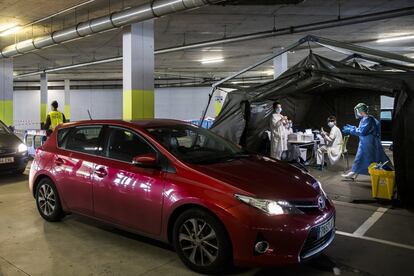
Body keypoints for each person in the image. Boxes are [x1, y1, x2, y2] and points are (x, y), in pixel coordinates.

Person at [341, 103, 389, 180]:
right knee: (361, 158)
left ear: (360, 111)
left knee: (375, 159)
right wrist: (353, 128)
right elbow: (362, 129)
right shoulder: (366, 119)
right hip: (365, 142)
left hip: (369, 143)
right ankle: (353, 173)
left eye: (357, 110)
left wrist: (350, 130)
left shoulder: (369, 119)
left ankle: (389, 173)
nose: (356, 113)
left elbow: (362, 131)